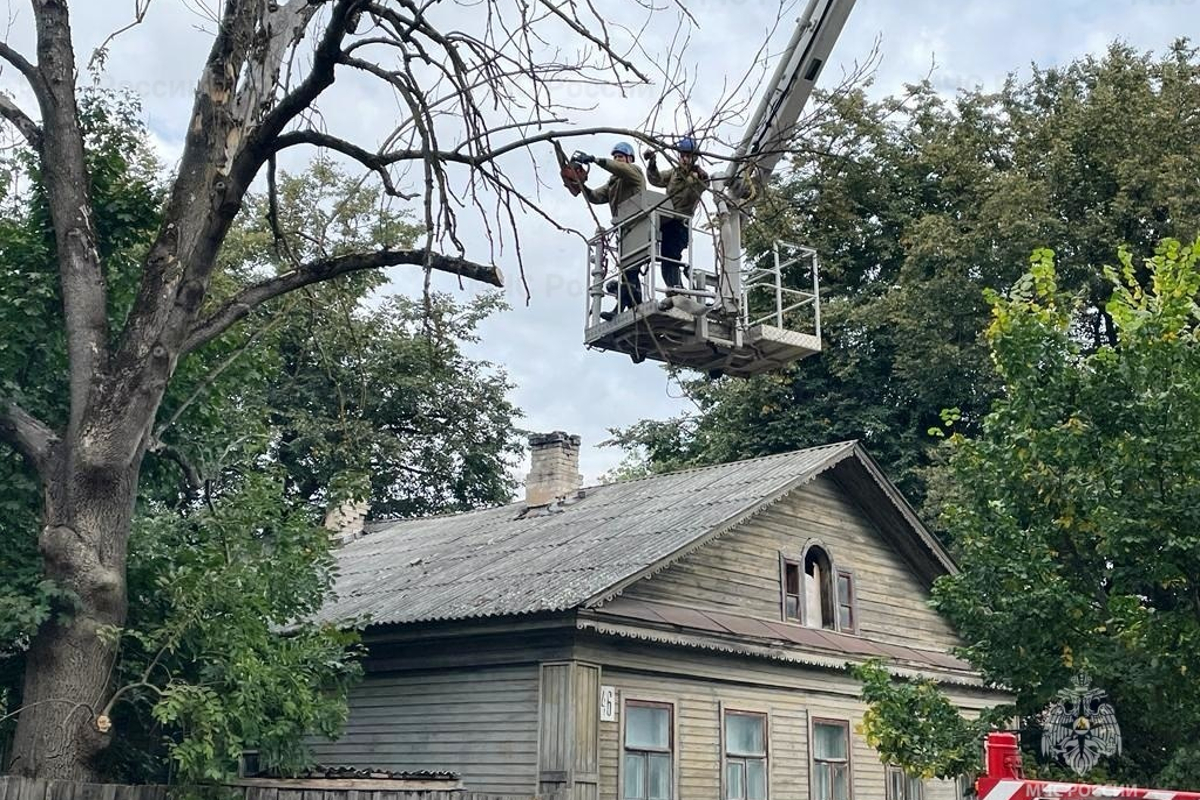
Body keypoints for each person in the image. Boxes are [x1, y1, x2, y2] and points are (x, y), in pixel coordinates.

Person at [575, 142, 646, 320]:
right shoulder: (613, 183)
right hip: (624, 230)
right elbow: (596, 196)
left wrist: (595, 159)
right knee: (628, 271)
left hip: (639, 226)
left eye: (620, 157)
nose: (617, 160)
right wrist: (580, 185)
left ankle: (621, 309)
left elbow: (620, 169)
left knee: (630, 270)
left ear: (629, 159)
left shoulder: (634, 173)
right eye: (615, 157)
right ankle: (637, 305)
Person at [645, 136, 709, 292]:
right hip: (667, 222)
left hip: (680, 223)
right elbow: (656, 180)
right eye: (682, 155)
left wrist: (696, 176)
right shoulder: (674, 173)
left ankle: (677, 288)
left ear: (694, 157)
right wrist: (652, 162)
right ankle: (675, 288)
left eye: (688, 155)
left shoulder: (698, 177)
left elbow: (695, 191)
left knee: (672, 256)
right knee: (666, 258)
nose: (684, 158)